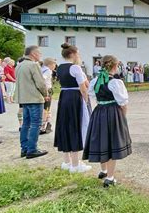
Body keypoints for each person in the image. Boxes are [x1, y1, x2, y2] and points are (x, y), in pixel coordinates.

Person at [83, 55, 132, 187]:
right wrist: (123, 117)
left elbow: (92, 95)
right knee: (111, 143)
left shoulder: (95, 81)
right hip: (112, 113)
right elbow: (123, 103)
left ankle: (103, 170)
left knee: (101, 141)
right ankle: (110, 178)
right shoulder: (116, 82)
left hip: (99, 112)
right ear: (115, 66)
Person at [54, 43, 92, 173]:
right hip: (74, 97)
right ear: (73, 54)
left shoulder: (59, 67)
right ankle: (75, 165)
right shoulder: (75, 68)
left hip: (64, 96)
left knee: (65, 125)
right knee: (75, 126)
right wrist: (86, 101)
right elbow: (83, 88)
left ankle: (67, 161)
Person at [15, 46, 49, 159]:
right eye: (39, 53)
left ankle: (24, 148)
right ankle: (32, 149)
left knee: (26, 124)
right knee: (35, 124)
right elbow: (40, 83)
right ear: (33, 54)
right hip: (34, 98)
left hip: (24, 98)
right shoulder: (34, 65)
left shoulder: (19, 65)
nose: (40, 55)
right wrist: (45, 94)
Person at [40, 57, 56, 135]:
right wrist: (46, 92)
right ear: (50, 64)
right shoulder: (48, 71)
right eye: (54, 64)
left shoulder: (41, 69)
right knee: (46, 108)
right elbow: (43, 80)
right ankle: (43, 126)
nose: (55, 66)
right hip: (47, 90)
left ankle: (46, 124)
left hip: (42, 90)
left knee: (44, 108)